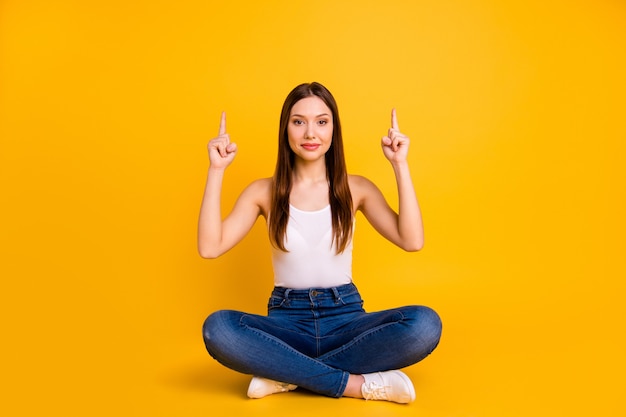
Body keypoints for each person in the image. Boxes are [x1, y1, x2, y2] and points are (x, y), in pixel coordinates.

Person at [198, 82, 442, 404]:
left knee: (424, 325)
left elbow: (412, 240)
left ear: (333, 129)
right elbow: (209, 247)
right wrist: (217, 170)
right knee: (218, 328)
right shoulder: (263, 192)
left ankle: (285, 373)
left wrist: (400, 165)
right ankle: (356, 385)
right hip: (287, 325)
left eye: (321, 122)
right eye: (299, 121)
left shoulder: (356, 188)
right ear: (286, 129)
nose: (310, 133)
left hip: (346, 321)